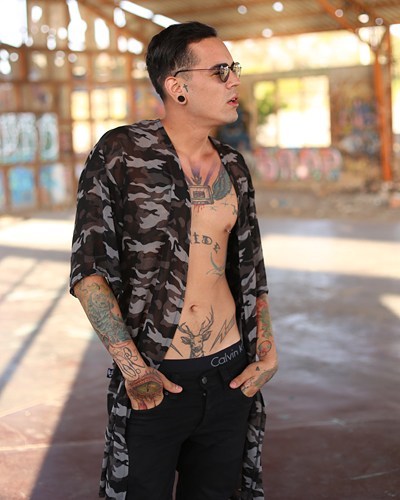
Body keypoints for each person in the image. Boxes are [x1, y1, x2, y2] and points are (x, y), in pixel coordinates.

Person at [70, 21, 278, 500]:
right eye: (220, 71)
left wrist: (267, 349)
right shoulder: (121, 154)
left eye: (234, 69)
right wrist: (133, 368)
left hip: (231, 372)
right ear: (177, 87)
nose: (234, 81)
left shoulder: (233, 165)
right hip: (157, 378)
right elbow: (89, 271)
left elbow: (251, 269)